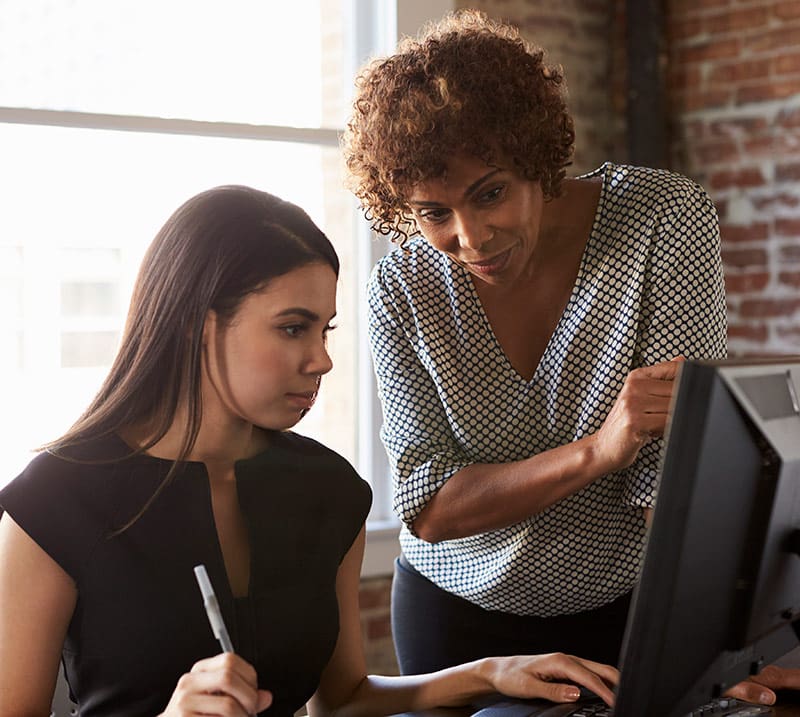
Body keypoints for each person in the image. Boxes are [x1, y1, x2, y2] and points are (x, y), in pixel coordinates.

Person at [0, 185, 621, 717]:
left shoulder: (329, 490)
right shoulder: (55, 501)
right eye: (292, 327)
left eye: (324, 330)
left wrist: (488, 673)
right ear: (197, 323)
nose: (321, 359)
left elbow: (344, 698)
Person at [341, 7, 798, 706]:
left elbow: (671, 476)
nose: (472, 236)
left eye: (490, 192)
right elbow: (426, 502)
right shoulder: (399, 289)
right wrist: (598, 450)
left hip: (629, 609)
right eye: (434, 212)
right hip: (457, 622)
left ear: (536, 156)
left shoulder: (661, 220)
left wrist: (719, 649)